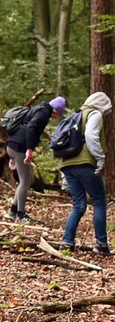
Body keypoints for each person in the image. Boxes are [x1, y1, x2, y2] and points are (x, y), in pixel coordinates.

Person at [59, 91, 112, 255]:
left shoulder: (76, 116)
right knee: (99, 201)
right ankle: (101, 244)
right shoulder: (94, 113)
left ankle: (67, 242)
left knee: (79, 205)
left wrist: (64, 177)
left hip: (68, 165)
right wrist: (100, 157)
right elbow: (90, 134)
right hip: (85, 164)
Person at [4, 96, 67, 222]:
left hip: (12, 146)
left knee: (28, 179)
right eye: (59, 114)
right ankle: (20, 215)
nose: (57, 117)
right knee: (25, 182)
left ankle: (12, 211)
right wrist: (29, 149)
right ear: (56, 110)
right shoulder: (43, 113)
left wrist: (14, 156)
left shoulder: (38, 109)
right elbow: (31, 128)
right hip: (19, 148)